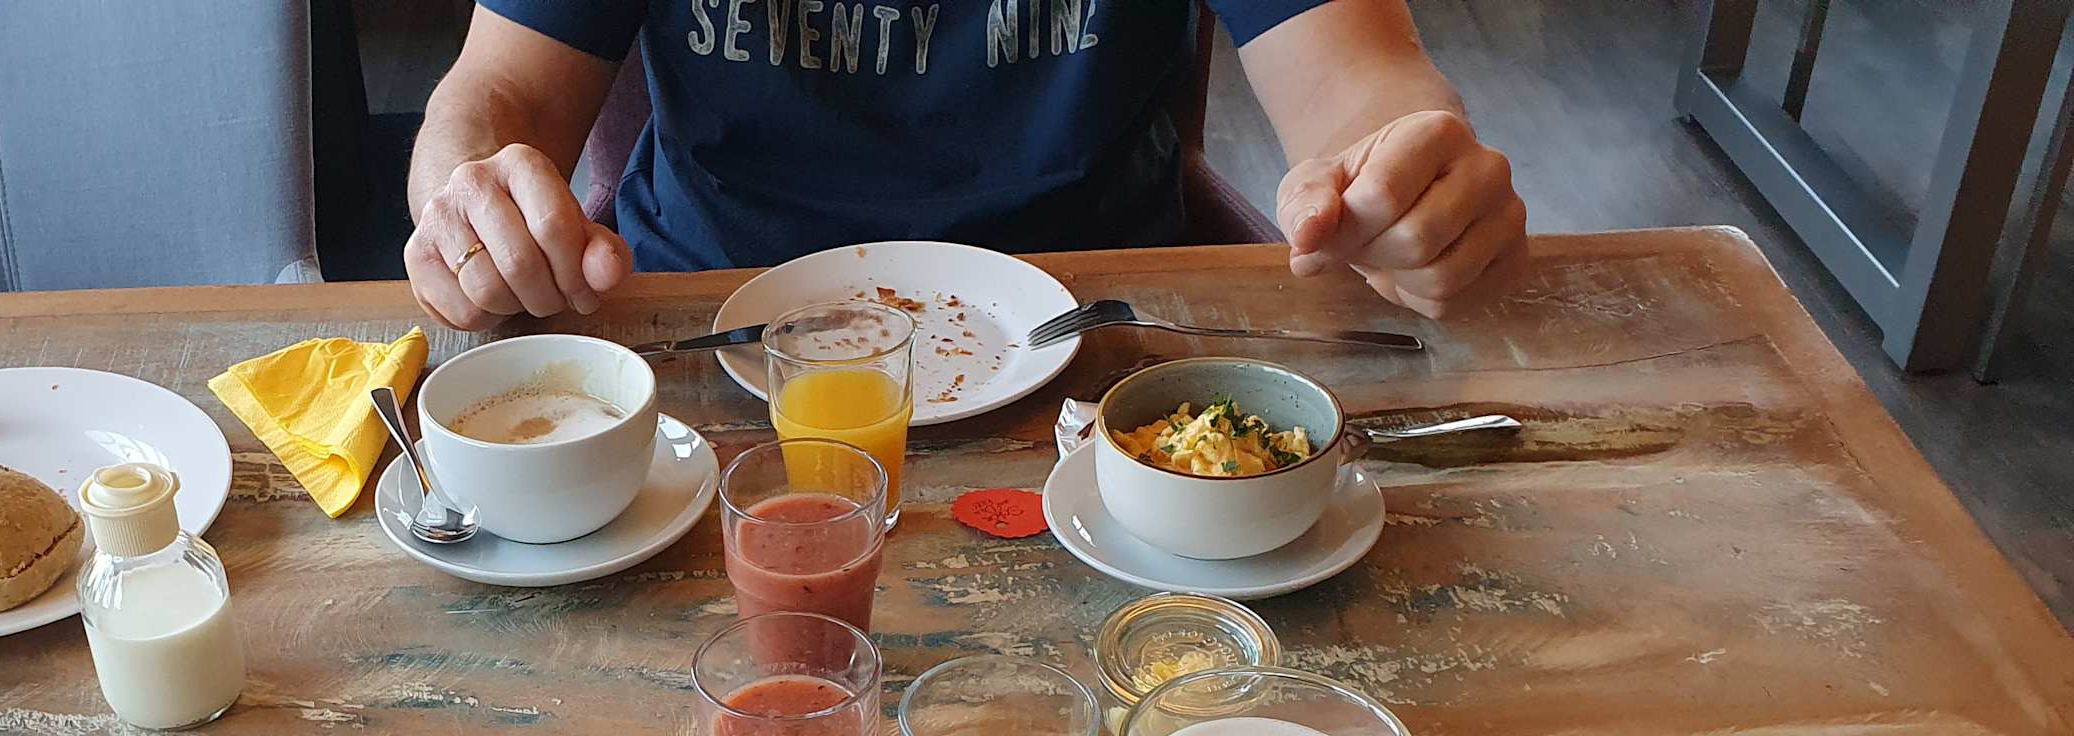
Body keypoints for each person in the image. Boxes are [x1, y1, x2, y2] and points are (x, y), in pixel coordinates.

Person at [405, 0, 1527, 330]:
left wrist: (1409, 179)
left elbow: (1365, 81)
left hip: (1101, 349)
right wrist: (469, 204)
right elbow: (493, 97)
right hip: (712, 342)